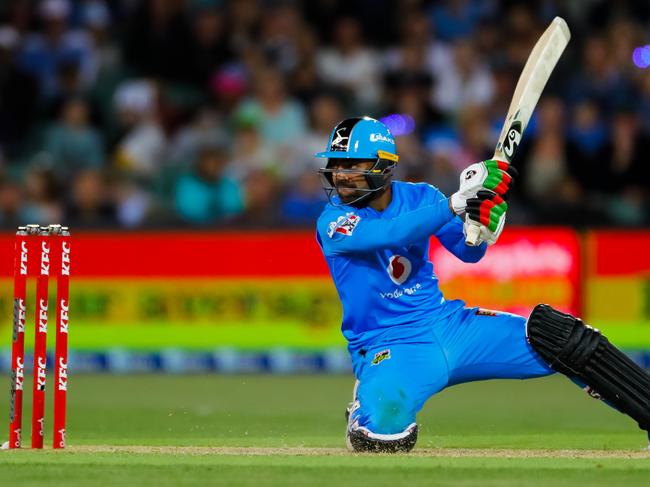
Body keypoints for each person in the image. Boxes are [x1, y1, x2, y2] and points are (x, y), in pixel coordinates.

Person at [314, 116, 650, 453]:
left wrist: (481, 228)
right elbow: (390, 233)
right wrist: (457, 202)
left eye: (351, 164)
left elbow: (468, 252)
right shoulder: (333, 219)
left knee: (563, 340)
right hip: (388, 345)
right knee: (382, 437)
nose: (340, 174)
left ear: (384, 166)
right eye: (336, 164)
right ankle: (366, 404)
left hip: (449, 326)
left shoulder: (421, 196)